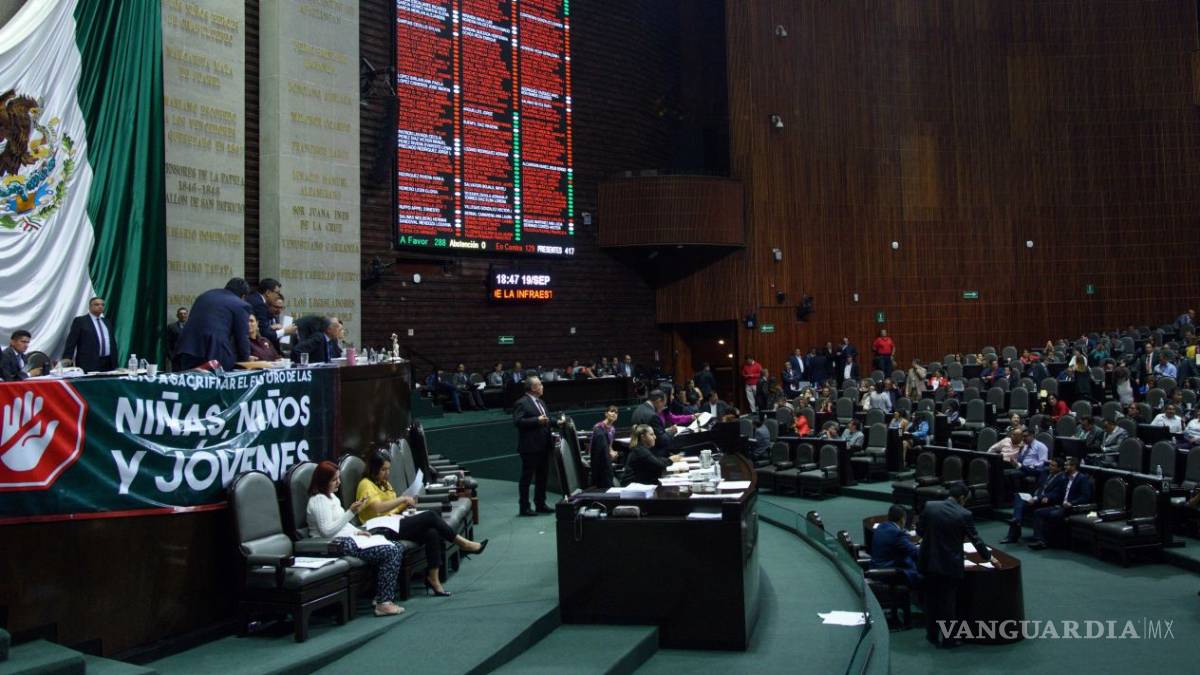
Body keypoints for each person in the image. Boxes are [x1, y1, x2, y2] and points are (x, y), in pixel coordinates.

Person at [355, 450, 488, 596]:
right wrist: (402, 499)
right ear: (373, 469)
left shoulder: (384, 483)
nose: (387, 473)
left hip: (393, 522)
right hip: (378, 528)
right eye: (383, 469)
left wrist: (407, 503)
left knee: (432, 532)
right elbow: (377, 508)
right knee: (430, 516)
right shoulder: (365, 484)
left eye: (388, 469)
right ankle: (464, 544)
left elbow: (391, 508)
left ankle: (433, 579)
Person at [305, 461, 405, 617]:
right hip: (333, 545)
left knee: (396, 546)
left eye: (338, 478)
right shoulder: (318, 500)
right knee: (390, 551)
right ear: (323, 481)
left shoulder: (332, 497)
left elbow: (342, 524)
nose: (338, 482)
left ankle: (381, 596)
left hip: (347, 539)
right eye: (334, 480)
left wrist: (357, 531)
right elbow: (327, 531)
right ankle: (384, 603)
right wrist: (351, 512)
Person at [918, 482, 991, 648]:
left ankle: (931, 635)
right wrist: (987, 556)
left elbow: (921, 532)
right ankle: (949, 639)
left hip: (928, 561)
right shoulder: (964, 514)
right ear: (962, 498)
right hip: (948, 564)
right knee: (948, 603)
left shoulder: (930, 506)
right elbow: (976, 539)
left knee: (931, 599)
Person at [175, 279, 252, 371]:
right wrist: (245, 361)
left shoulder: (205, 295)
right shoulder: (240, 305)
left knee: (190, 382)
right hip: (213, 353)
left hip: (187, 348)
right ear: (243, 296)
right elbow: (242, 337)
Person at [513, 376, 558, 516]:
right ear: (533, 388)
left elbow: (545, 421)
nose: (542, 386)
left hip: (544, 445)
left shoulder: (541, 402)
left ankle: (540, 504)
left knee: (542, 477)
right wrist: (536, 420)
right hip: (530, 447)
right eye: (540, 385)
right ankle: (524, 507)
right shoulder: (522, 402)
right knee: (527, 478)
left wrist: (557, 422)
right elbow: (518, 421)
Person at [1028, 457, 1092, 549]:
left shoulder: (1082, 479)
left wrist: (1072, 503)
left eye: (1067, 465)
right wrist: (1047, 497)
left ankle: (1054, 541)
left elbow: (1085, 497)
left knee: (1054, 514)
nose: (1064, 467)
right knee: (1038, 512)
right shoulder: (1064, 478)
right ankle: (1040, 540)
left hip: (1073, 507)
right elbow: (1058, 493)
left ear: (1073, 466)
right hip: (1060, 505)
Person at [1000, 457, 1065, 543]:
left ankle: (1015, 527)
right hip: (1034, 497)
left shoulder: (1062, 478)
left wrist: (1037, 498)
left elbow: (1056, 493)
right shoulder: (1045, 472)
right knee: (1018, 497)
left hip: (1045, 502)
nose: (1050, 467)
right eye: (1050, 464)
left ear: (1059, 468)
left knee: (1020, 509)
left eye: (1053, 466)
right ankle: (1015, 524)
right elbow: (1030, 471)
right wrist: (1018, 465)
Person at [62, 296, 118, 372]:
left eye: (102, 305)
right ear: (90, 307)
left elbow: (112, 342)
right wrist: (67, 357)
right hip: (89, 362)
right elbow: (71, 340)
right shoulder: (80, 321)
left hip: (108, 362)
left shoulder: (106, 322)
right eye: (97, 304)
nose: (100, 306)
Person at [871, 504, 921, 587]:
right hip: (888, 573)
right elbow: (914, 552)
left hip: (876, 566)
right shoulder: (898, 534)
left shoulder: (881, 527)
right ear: (902, 519)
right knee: (923, 576)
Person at [247, 278, 283, 351]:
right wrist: (285, 331)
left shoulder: (254, 298)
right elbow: (264, 333)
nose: (278, 296)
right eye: (277, 293)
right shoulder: (259, 304)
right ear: (268, 292)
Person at [590, 405, 620, 489]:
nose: (614, 414)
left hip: (607, 458)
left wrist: (613, 452)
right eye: (612, 411)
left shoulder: (613, 429)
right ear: (606, 414)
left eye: (616, 412)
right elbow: (594, 447)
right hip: (599, 460)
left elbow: (609, 445)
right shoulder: (598, 427)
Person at [162, 307, 188, 371]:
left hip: (189, 358)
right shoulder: (171, 327)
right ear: (177, 315)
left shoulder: (192, 326)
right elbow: (167, 342)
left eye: (184, 314)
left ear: (187, 315)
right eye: (181, 314)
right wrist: (171, 356)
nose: (183, 315)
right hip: (176, 358)